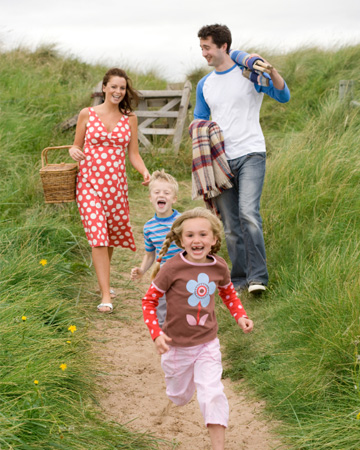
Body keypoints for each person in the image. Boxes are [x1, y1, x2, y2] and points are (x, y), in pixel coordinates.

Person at [142, 207, 253, 450]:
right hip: (176, 347)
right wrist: (156, 333)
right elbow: (149, 301)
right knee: (179, 397)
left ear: (214, 239)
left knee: (211, 392)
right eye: (190, 235)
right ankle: (182, 385)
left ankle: (218, 446)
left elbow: (228, 293)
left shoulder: (219, 267)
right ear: (181, 240)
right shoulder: (172, 268)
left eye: (203, 234)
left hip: (207, 344)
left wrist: (241, 316)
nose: (197, 240)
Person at [193, 24, 290, 294]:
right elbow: (199, 119)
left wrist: (270, 70)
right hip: (221, 160)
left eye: (207, 47)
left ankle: (258, 277)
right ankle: (238, 279)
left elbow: (283, 95)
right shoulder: (205, 84)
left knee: (248, 214)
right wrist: (201, 137)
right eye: (201, 47)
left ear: (224, 46)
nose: (203, 53)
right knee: (231, 224)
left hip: (251, 153)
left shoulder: (249, 73)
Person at [69, 68, 150, 313]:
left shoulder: (130, 118)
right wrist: (73, 151)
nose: (118, 91)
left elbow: (133, 154)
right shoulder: (87, 114)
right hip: (88, 184)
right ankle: (106, 294)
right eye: (113, 86)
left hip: (116, 187)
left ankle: (103, 281)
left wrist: (144, 172)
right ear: (104, 87)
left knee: (110, 236)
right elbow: (76, 145)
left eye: (122, 88)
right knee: (98, 237)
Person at [130, 169, 181, 326]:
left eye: (166, 193)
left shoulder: (182, 221)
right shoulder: (149, 227)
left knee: (182, 306)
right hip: (162, 273)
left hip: (182, 271)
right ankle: (163, 338)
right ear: (150, 198)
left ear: (174, 199)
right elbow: (150, 255)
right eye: (157, 192)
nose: (161, 195)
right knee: (161, 307)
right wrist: (142, 270)